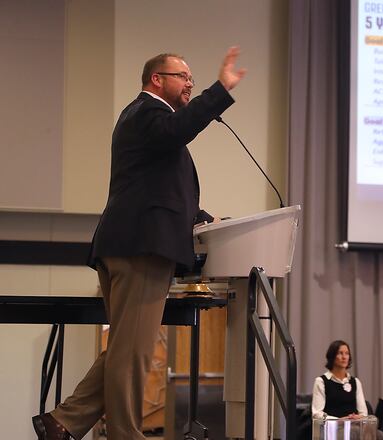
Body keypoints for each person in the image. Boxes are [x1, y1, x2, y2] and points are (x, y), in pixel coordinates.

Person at [31, 48, 245, 440]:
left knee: (126, 348)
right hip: (141, 249)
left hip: (128, 243)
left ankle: (63, 422)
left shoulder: (143, 121)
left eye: (192, 79)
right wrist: (220, 91)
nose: (190, 83)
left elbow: (155, 189)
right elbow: (178, 131)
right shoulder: (149, 113)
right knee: (134, 354)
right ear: (156, 80)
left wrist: (201, 217)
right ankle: (125, 434)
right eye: (183, 76)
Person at [312, 340, 370, 419]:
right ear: (332, 356)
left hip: (353, 426)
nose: (344, 357)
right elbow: (317, 414)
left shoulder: (355, 382)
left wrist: (357, 417)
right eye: (340, 353)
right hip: (331, 428)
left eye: (347, 353)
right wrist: (339, 420)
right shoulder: (321, 381)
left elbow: (363, 413)